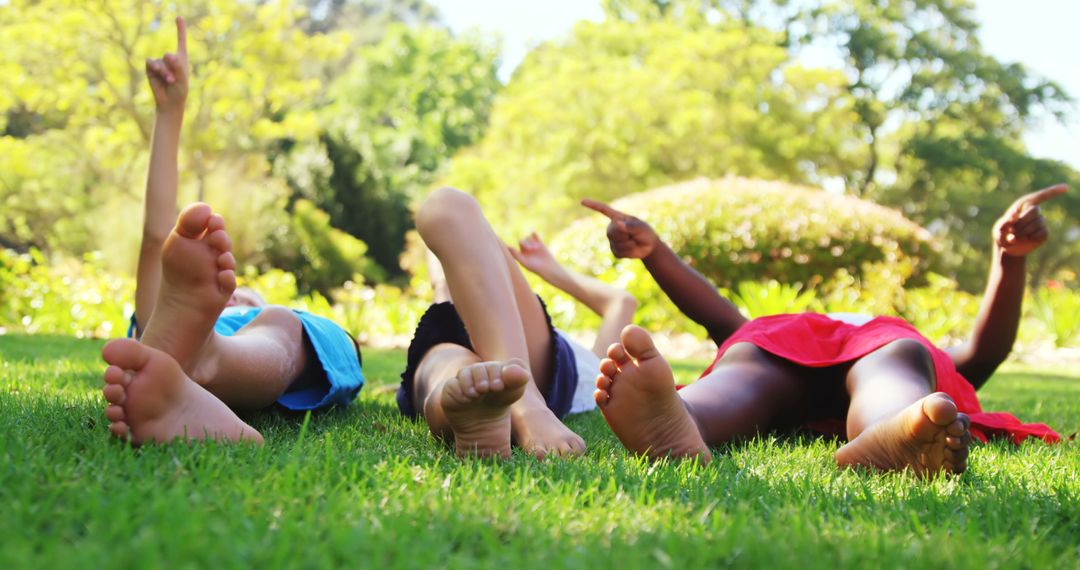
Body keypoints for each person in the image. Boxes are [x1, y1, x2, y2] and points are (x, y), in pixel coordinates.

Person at [583, 184, 1066, 475]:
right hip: (820, 345)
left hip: (781, 344)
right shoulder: (893, 337)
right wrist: (656, 252)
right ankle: (897, 428)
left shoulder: (806, 331)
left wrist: (656, 254)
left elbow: (719, 315)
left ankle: (690, 416)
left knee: (747, 367)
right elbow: (984, 353)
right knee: (762, 363)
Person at [101, 17, 363, 445]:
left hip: (244, 348)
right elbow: (156, 236)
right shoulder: (172, 311)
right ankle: (187, 374)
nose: (236, 296)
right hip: (170, 340)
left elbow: (333, 343)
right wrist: (170, 113)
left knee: (280, 324)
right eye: (232, 298)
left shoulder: (269, 315)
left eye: (241, 297)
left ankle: (197, 363)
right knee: (157, 321)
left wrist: (251, 313)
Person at [397, 187, 637, 459]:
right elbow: (621, 301)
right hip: (479, 334)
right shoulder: (592, 368)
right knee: (463, 376)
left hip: (454, 335)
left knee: (449, 367)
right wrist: (550, 269)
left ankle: (485, 402)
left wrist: (552, 270)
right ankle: (500, 402)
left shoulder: (595, 369)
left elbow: (622, 301)